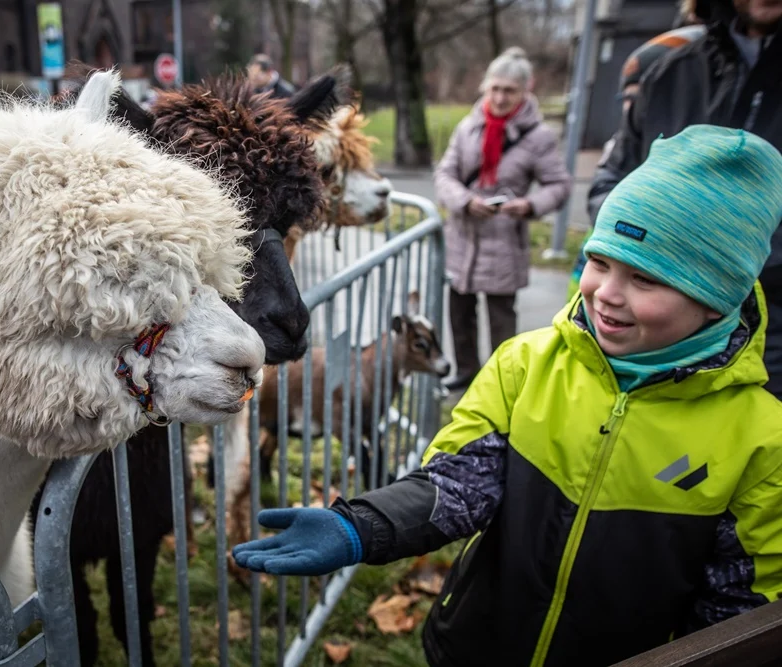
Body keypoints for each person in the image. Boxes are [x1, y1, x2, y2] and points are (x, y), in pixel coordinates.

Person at [233, 125, 782, 667]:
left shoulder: (761, 441)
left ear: (716, 296)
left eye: (646, 280)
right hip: (478, 644)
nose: (607, 296)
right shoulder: (525, 365)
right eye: (599, 262)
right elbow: (459, 480)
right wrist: (362, 524)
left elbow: (739, 612)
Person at [590, 0, 782, 396]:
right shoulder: (670, 73)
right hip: (649, 346)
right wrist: (634, 248)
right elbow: (612, 177)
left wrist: (723, 266)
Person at [434, 47, 571, 391]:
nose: (499, 97)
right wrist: (464, 201)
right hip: (463, 237)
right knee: (459, 314)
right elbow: (445, 174)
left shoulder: (538, 137)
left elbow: (559, 185)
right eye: (494, 88)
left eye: (509, 90)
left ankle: (499, 382)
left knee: (500, 319)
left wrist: (528, 205)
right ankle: (466, 372)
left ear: (525, 90)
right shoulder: (469, 127)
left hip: (504, 241)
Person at [565, 19, 708, 300]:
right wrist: (621, 230)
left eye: (642, 98)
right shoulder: (622, 142)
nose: (631, 109)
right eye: (627, 98)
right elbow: (604, 185)